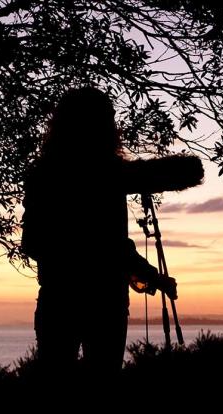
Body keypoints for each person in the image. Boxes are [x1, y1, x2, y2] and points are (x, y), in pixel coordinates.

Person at [21, 86, 200, 379]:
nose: (113, 125)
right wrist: (149, 275)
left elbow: (35, 242)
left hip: (60, 300)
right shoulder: (109, 174)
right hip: (101, 304)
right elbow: (111, 247)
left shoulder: (43, 173)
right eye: (108, 118)